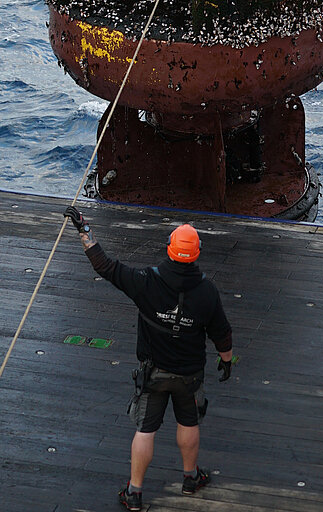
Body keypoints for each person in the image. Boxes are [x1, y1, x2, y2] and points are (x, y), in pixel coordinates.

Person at [64, 206, 235, 512]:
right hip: (189, 375)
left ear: (169, 249)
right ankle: (190, 478)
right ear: (196, 253)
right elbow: (221, 333)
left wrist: (84, 230)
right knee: (189, 423)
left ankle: (134, 493)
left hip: (153, 373)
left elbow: (105, 266)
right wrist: (227, 360)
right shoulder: (207, 292)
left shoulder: (145, 281)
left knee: (146, 430)